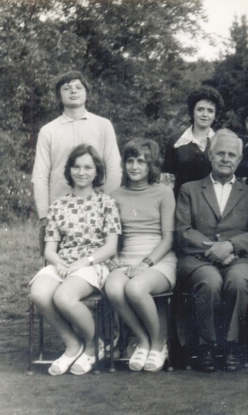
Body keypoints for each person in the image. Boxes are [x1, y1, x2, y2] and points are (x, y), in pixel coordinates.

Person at [28, 145, 121, 376]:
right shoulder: (58, 206)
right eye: (76, 167)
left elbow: (110, 247)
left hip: (94, 263)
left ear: (97, 171)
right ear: (69, 170)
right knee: (39, 293)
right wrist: (59, 264)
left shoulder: (106, 203)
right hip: (64, 263)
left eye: (88, 167)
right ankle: (72, 344)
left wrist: (84, 261)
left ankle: (93, 345)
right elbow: (50, 250)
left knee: (64, 297)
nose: (81, 172)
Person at [175, 129, 248, 372]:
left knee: (239, 280)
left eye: (231, 155)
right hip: (197, 259)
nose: (225, 159)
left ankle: (232, 345)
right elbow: (183, 229)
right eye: (220, 153)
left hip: (237, 258)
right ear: (210, 155)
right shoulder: (189, 190)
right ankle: (207, 347)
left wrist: (231, 246)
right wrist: (214, 249)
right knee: (210, 281)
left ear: (240, 159)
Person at [105, 139, 177, 372]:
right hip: (127, 259)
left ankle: (158, 343)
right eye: (130, 161)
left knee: (135, 288)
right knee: (113, 288)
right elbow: (114, 236)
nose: (134, 166)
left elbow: (168, 239)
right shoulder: (115, 195)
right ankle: (143, 340)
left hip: (159, 259)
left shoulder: (164, 193)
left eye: (141, 161)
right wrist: (113, 257)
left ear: (151, 165)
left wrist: (146, 264)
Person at [32, 70, 121, 252]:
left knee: (99, 260)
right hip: (59, 212)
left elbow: (114, 168)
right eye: (67, 88)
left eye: (78, 87)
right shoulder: (48, 131)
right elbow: (40, 176)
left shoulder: (103, 125)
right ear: (59, 95)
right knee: (55, 261)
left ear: (87, 93)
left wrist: (107, 204)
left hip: (97, 210)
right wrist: (44, 216)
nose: (73, 91)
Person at [162, 86, 224, 196]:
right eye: (200, 109)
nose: (205, 115)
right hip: (181, 200)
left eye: (210, 111)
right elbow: (167, 180)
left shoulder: (220, 141)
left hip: (211, 201)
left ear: (215, 115)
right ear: (192, 111)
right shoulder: (176, 140)